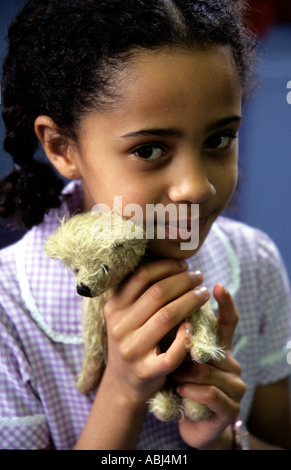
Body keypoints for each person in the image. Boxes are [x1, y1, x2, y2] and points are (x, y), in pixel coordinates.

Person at [0, 0, 290, 450]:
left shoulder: (255, 264)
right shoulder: (9, 309)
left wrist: (222, 442)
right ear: (61, 147)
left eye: (219, 139)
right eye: (150, 150)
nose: (196, 188)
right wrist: (122, 390)